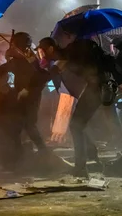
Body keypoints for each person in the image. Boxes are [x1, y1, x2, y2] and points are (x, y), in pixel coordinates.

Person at [37, 36, 111, 177]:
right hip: (95, 88)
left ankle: (81, 167)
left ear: (51, 49)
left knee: (76, 125)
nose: (43, 55)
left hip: (96, 88)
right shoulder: (69, 55)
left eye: (43, 51)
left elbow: (78, 77)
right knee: (78, 125)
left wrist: (54, 70)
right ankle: (91, 158)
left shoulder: (69, 56)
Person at [0, 32, 51, 168]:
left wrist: (27, 89)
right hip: (23, 97)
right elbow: (0, 71)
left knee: (26, 125)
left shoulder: (31, 61)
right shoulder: (19, 61)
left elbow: (42, 77)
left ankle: (38, 154)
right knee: (20, 126)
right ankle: (23, 157)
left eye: (14, 45)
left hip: (30, 97)